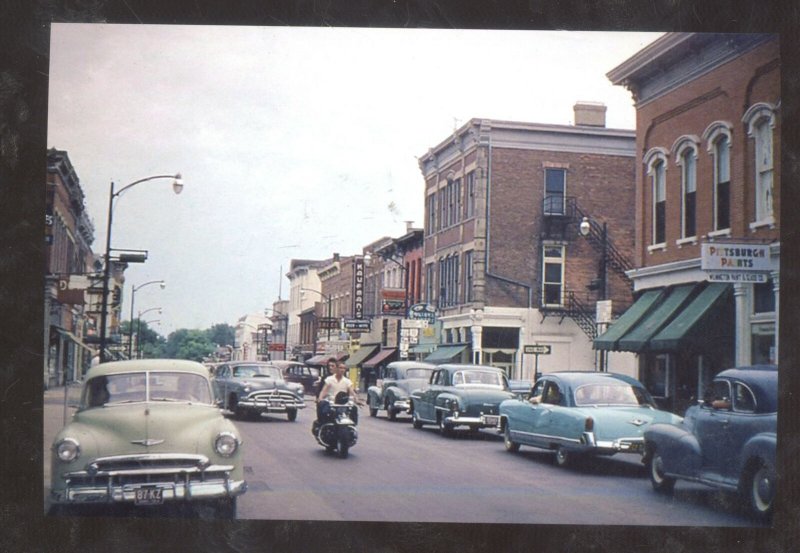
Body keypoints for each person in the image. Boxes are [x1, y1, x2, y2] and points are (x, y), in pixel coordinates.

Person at [315, 360, 364, 427]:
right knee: (324, 410)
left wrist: (357, 400)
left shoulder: (347, 381)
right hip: (331, 403)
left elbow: (352, 392)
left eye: (344, 368)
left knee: (354, 409)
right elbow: (324, 390)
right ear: (337, 369)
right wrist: (320, 398)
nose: (342, 370)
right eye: (341, 368)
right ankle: (323, 426)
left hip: (342, 403)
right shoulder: (329, 379)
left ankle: (352, 427)